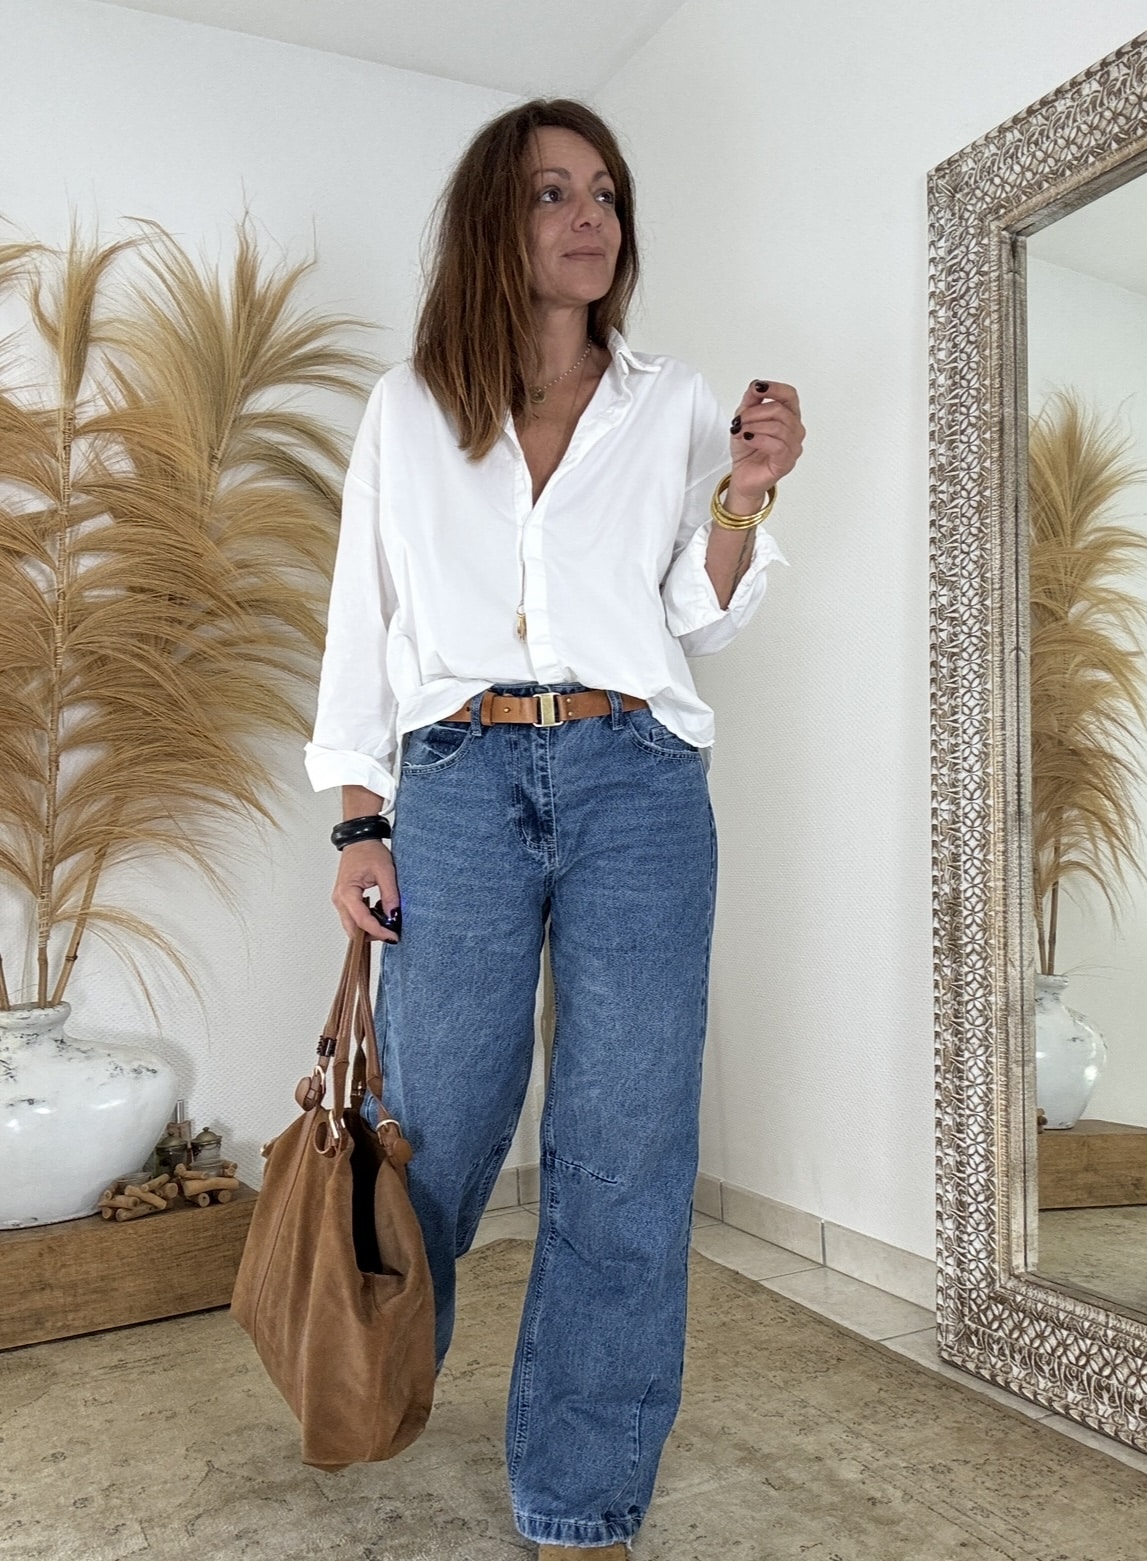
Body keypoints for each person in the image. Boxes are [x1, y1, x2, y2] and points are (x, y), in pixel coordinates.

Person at [304, 98, 804, 1558]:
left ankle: (580, 1495)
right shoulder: (409, 408)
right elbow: (361, 618)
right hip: (459, 778)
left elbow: (693, 612)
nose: (590, 218)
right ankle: (377, 1364)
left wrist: (745, 494)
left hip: (636, 776)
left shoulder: (672, 401)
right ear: (494, 222)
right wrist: (357, 822)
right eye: (551, 193)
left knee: (624, 1138)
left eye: (605, 193)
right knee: (437, 1124)